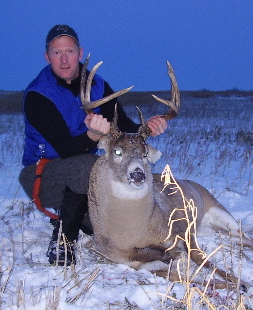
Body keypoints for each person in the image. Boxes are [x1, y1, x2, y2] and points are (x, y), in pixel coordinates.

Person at [19, 24, 168, 266]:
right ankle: (63, 242)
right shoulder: (38, 95)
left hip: (85, 177)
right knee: (89, 166)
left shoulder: (97, 86)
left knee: (103, 220)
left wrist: (147, 129)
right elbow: (66, 149)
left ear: (80, 52)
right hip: (43, 174)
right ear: (47, 56)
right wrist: (92, 135)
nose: (64, 59)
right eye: (57, 53)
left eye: (70, 51)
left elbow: (125, 127)